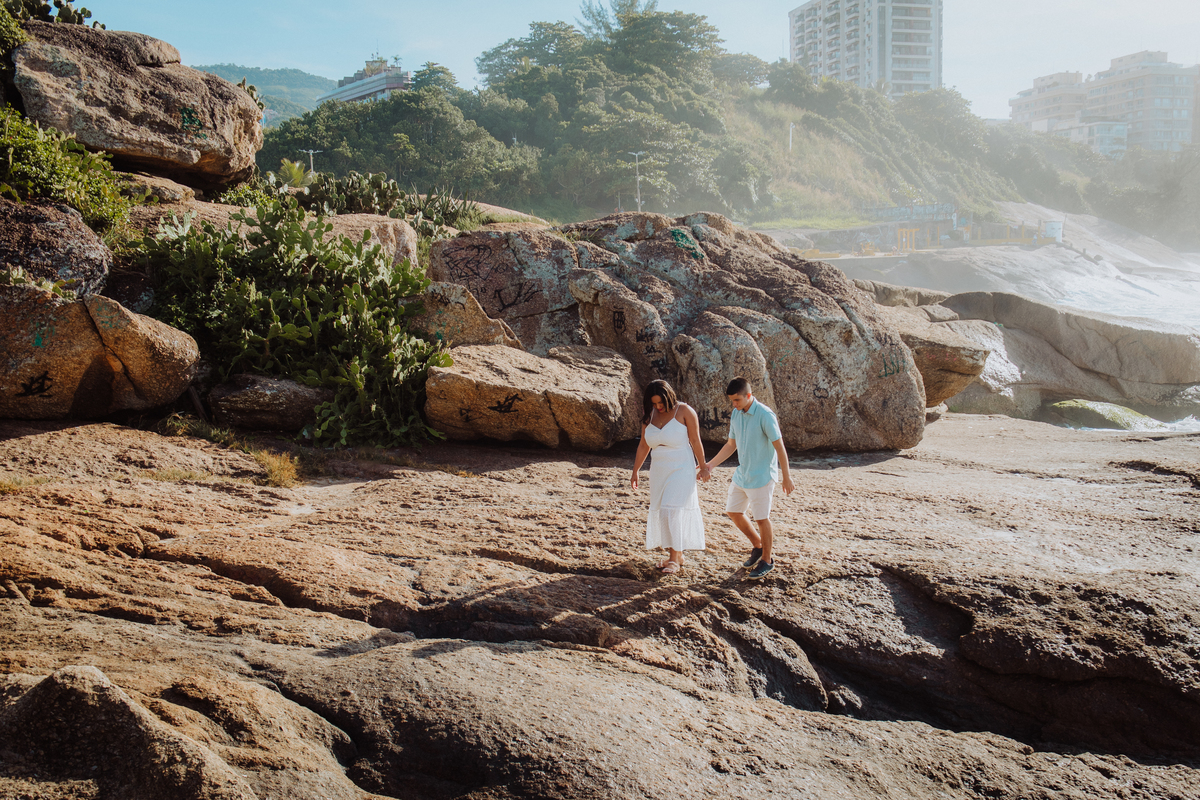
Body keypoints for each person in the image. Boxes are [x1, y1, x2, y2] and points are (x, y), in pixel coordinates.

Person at [704, 377, 794, 579]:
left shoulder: (765, 415)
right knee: (733, 511)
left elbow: (780, 447)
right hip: (742, 474)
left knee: (762, 519)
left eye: (737, 400)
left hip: (762, 476)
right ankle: (758, 546)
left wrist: (786, 477)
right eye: (731, 401)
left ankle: (767, 560)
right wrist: (710, 465)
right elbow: (730, 445)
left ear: (749, 396)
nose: (733, 405)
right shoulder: (736, 413)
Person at [631, 380, 709, 574]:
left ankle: (674, 560)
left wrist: (704, 466)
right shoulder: (649, 415)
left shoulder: (684, 411)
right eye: (655, 403)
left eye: (661, 402)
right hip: (659, 469)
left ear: (669, 396)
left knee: (671, 510)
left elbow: (695, 440)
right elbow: (643, 445)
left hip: (682, 467)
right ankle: (677, 554)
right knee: (664, 512)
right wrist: (635, 471)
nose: (659, 407)